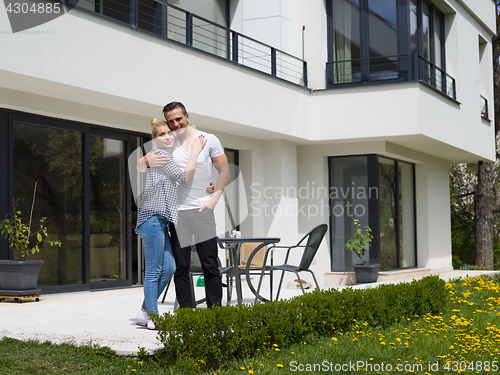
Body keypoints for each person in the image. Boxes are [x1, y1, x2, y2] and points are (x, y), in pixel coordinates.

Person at [146, 102, 230, 308]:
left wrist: (213, 199)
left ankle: (215, 314)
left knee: (209, 264)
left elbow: (225, 171)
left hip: (202, 210)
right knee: (181, 267)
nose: (176, 124)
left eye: (179, 119)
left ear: (187, 116)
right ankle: (187, 315)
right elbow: (151, 165)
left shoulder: (209, 140)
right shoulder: (167, 143)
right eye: (171, 121)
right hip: (178, 213)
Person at [136, 118, 206, 329]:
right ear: (155, 139)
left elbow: (182, 185)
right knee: (154, 270)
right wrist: (195, 151)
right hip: (152, 219)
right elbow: (184, 179)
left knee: (170, 267)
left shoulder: (164, 157)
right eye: (161, 134)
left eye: (169, 133)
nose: (167, 137)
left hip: (160, 222)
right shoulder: (161, 155)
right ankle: (153, 317)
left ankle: (144, 311)